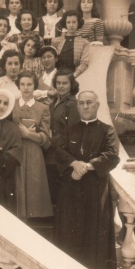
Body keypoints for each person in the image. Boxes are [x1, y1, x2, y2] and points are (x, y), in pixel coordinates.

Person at [53, 90, 120, 269]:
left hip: (95, 191)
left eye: (89, 102)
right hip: (71, 190)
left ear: (97, 105)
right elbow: (59, 151)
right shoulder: (69, 130)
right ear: (77, 106)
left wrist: (87, 167)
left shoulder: (107, 130)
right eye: (81, 103)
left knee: (94, 236)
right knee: (69, 235)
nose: (85, 106)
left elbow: (112, 155)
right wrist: (74, 163)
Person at [12, 71, 53, 220]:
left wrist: (28, 134)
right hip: (15, 151)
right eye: (22, 84)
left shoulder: (43, 108)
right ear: (18, 86)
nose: (26, 87)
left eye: (29, 84)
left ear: (35, 86)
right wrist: (18, 133)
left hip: (34, 153)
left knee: (32, 191)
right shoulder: (11, 105)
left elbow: (45, 137)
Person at [45, 69, 80, 206]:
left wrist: (49, 141)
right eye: (58, 83)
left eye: (64, 83)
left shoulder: (73, 104)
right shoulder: (53, 103)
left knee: (62, 196)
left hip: (63, 154)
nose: (60, 86)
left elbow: (71, 132)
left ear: (71, 85)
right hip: (51, 153)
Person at [52, 10, 91, 78]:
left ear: (78, 24)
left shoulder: (84, 43)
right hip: (57, 75)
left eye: (74, 22)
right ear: (65, 24)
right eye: (68, 22)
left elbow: (84, 63)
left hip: (75, 76)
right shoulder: (56, 41)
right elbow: (52, 61)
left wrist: (73, 76)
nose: (71, 25)